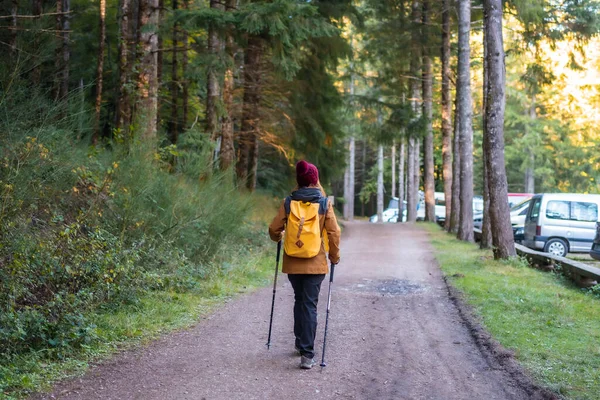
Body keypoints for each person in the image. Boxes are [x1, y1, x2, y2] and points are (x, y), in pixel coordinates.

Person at [268, 160, 341, 369]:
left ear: (299, 181)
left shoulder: (288, 202)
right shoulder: (325, 203)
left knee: (300, 300)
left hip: (293, 262)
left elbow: (274, 230)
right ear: (315, 180)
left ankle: (300, 343)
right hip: (315, 263)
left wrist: (279, 236)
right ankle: (307, 354)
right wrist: (334, 257)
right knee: (309, 304)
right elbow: (334, 232)